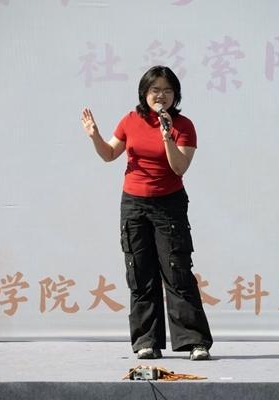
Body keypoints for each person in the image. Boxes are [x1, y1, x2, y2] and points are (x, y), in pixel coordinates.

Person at [81, 65, 213, 361]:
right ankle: (147, 342)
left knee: (177, 271)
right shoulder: (130, 120)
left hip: (169, 204)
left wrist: (167, 135)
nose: (161, 96)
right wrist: (94, 136)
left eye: (167, 91)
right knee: (140, 273)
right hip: (134, 205)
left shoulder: (183, 125)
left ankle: (195, 342)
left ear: (175, 95)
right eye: (155, 90)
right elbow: (108, 154)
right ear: (144, 93)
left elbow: (179, 167)